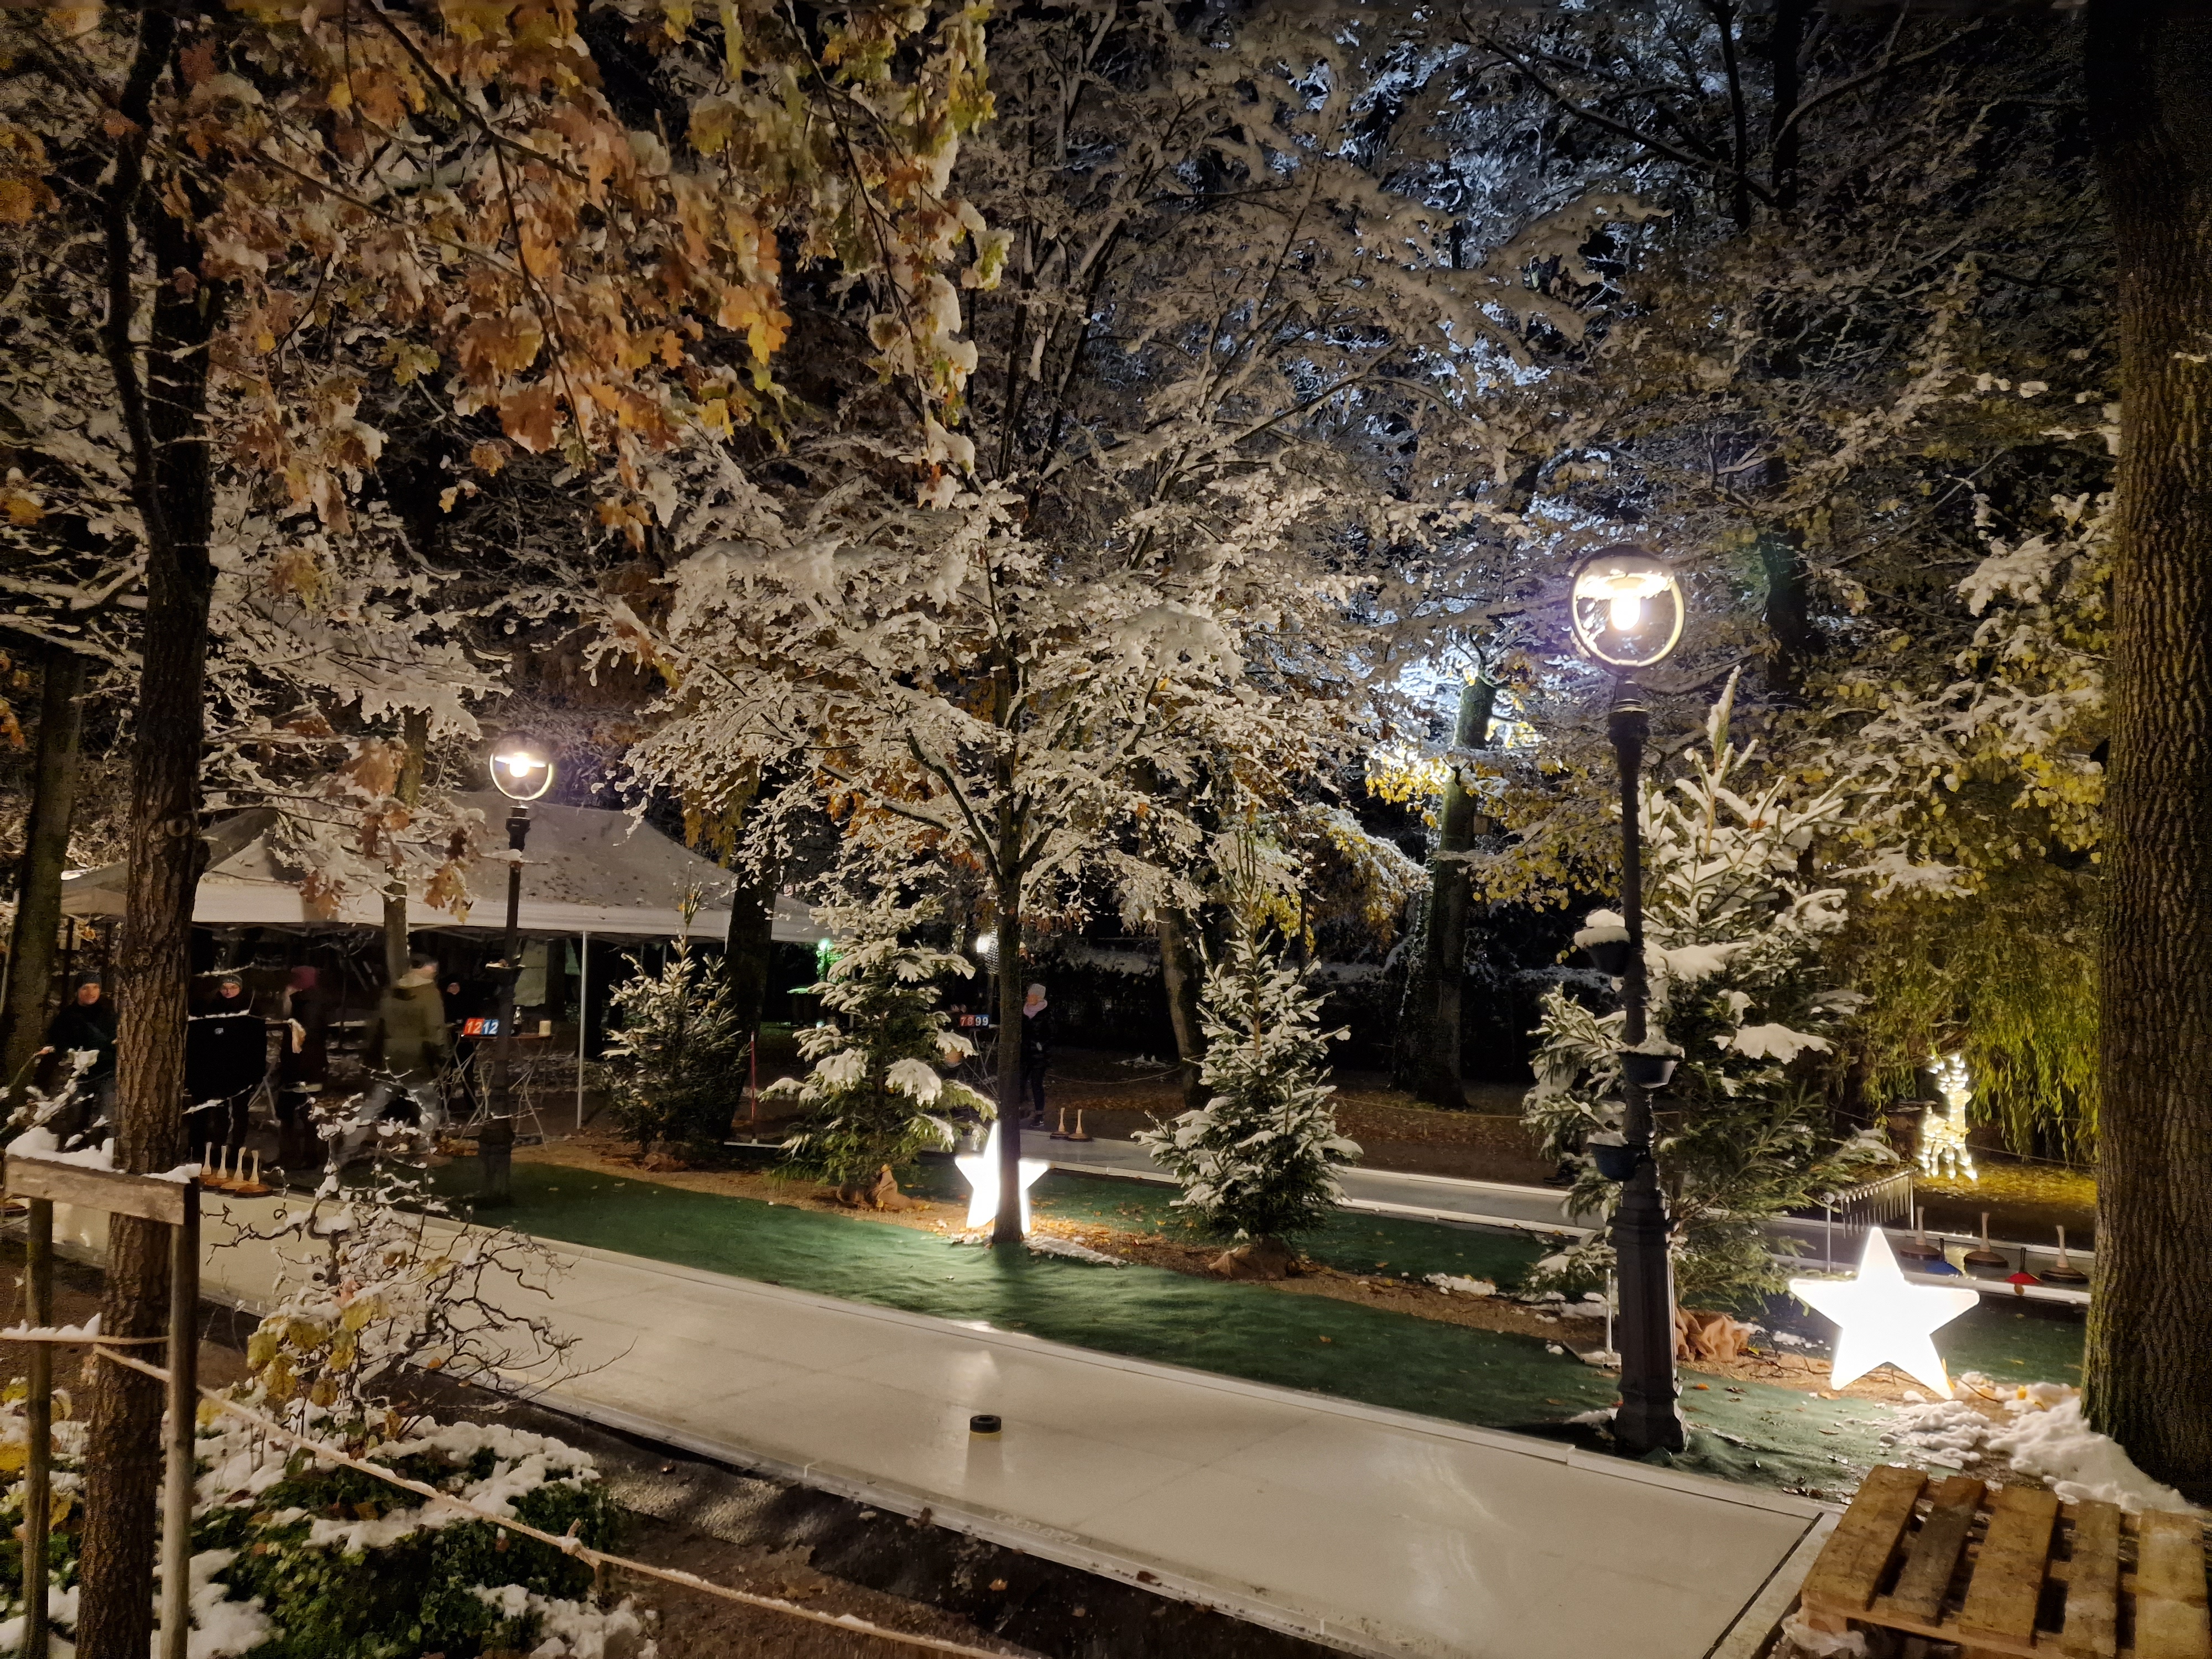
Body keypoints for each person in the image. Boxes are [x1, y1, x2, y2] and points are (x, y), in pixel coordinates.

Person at [337, 953, 450, 1162]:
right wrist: (442, 1055)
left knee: (373, 1105)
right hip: (417, 1058)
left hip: (390, 1056)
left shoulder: (391, 992)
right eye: (433, 968)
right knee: (429, 1104)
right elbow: (436, 1029)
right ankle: (423, 1147)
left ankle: (347, 1148)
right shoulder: (428, 994)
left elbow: (379, 1023)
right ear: (427, 969)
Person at [185, 972, 268, 1159]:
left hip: (241, 1069)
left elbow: (258, 1044)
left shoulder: (250, 1010)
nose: (228, 991)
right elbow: (202, 1039)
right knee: (219, 1110)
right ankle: (217, 1147)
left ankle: (236, 1149)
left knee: (240, 1110)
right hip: (217, 1068)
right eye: (225, 987)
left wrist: (256, 1071)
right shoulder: (211, 1009)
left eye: (233, 988)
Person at [39, 975, 116, 1144]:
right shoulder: (66, 1017)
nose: (91, 992)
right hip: (78, 1076)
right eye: (85, 988)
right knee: (75, 1118)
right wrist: (72, 1056)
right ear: (77, 991)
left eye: (95, 987)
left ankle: (100, 1154)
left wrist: (100, 1056)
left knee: (107, 1119)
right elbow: (58, 1044)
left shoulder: (109, 1015)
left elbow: (116, 1045)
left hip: (107, 1074)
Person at [275, 964, 330, 1167]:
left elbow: (302, 1039)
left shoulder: (306, 1003)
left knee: (301, 1113)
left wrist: (288, 1000)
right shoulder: (311, 1001)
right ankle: (301, 1156)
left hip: (303, 1068)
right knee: (299, 1112)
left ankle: (305, 1156)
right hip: (306, 1067)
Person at [1019, 981, 1051, 1129]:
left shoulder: (1046, 1014)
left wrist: (1041, 1046)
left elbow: (1052, 1035)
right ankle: (1021, 1110)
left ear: (1038, 997)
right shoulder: (1024, 1012)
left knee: (1036, 1084)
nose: (1028, 997)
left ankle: (1039, 1115)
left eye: (1031, 995)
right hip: (1024, 1054)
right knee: (1020, 1082)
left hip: (1039, 1056)